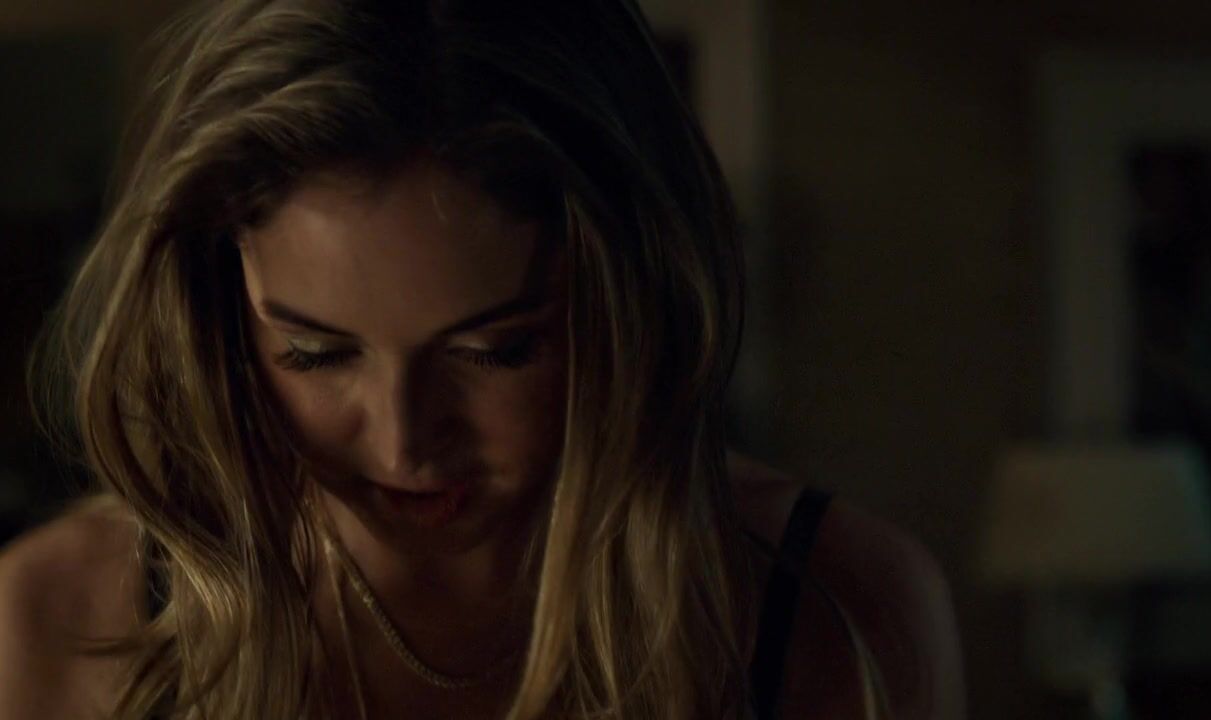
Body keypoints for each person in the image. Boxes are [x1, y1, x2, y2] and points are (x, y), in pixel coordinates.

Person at [0, 1, 964, 718]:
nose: (404, 442)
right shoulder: (58, 619)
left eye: (497, 350)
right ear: (218, 308)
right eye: (313, 351)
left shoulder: (833, 609)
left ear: (630, 308)